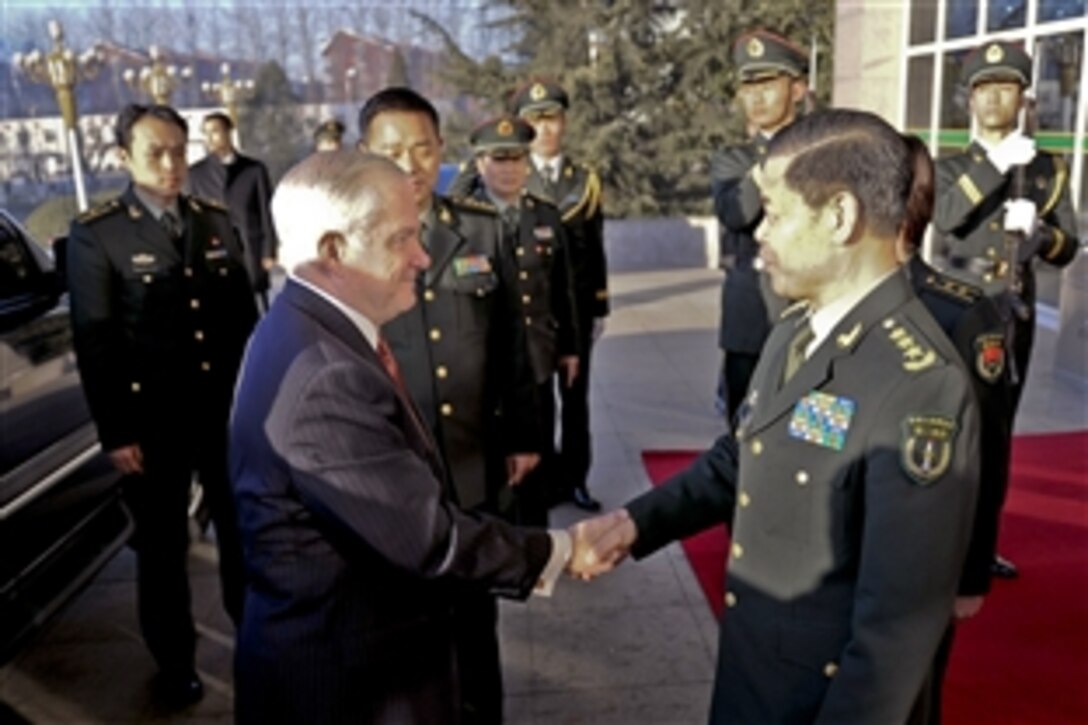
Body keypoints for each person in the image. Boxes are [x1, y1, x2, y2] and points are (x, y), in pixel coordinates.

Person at [577, 109, 982, 724]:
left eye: (778, 211)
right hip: (754, 674)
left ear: (840, 217)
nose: (758, 231)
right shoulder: (795, 330)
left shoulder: (919, 383)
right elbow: (739, 457)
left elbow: (895, 634)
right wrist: (637, 523)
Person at [229, 149, 621, 724]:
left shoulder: (304, 326)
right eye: (400, 239)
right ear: (333, 250)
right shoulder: (326, 376)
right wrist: (563, 549)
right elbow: (427, 540)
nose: (422, 255)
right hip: (348, 687)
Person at [357, 86, 542, 724]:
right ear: (364, 156)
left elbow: (515, 342)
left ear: (441, 150)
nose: (408, 162)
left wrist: (524, 434)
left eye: (421, 147)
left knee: (473, 615)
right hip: (393, 469)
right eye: (390, 150)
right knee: (404, 621)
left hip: (472, 456)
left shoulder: (483, 226)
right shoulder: (350, 245)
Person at [66, 103, 258, 708]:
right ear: (124, 158)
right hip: (153, 421)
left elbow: (243, 322)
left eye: (179, 149)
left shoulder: (214, 219)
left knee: (242, 532)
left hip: (224, 414)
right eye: (156, 153)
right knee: (163, 545)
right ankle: (175, 661)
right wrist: (116, 430)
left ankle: (255, 642)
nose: (173, 164)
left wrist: (257, 404)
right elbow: (94, 339)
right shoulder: (99, 232)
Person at [932, 40, 1079, 578]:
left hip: (1013, 308)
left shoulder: (1048, 168)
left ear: (1023, 96)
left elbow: (1070, 245)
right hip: (957, 306)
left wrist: (1040, 236)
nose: (994, 98)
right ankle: (936, 540)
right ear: (969, 99)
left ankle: (978, 549)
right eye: (984, 89)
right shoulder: (949, 166)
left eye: (1006, 88)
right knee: (946, 424)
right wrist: (996, 164)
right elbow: (945, 219)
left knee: (996, 433)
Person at [900, 134, 1012, 722]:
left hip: (921, 568)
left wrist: (973, 570)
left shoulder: (960, 313)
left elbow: (985, 454)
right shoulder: (813, 312)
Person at [464, 114, 581, 527]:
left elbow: (563, 290)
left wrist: (569, 347)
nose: (509, 169)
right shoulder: (463, 221)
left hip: (536, 353)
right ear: (480, 165)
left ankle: (536, 532)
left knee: (538, 443)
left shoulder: (545, 217)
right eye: (499, 160)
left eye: (516, 159)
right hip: (482, 354)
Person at [709, 28, 806, 425]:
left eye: (769, 84)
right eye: (749, 87)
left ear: (798, 89)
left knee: (813, 430)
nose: (757, 97)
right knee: (743, 432)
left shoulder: (827, 150)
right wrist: (779, 152)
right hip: (749, 313)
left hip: (809, 310)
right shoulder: (733, 160)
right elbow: (737, 213)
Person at [188, 111, 278, 309]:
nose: (210, 138)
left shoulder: (254, 170)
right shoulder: (196, 174)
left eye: (215, 131)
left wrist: (269, 250)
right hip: (215, 252)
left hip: (250, 250)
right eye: (206, 133)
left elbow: (266, 213)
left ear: (229, 132)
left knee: (259, 309)